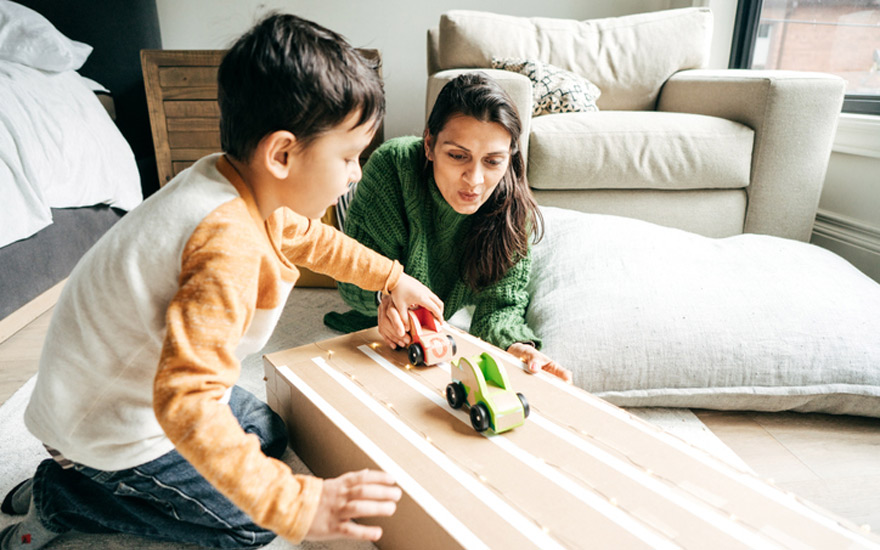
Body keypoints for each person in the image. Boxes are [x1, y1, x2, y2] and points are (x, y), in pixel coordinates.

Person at [0, 13, 445, 550]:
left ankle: (85, 480)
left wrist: (391, 279)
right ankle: (66, 496)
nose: (355, 173)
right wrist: (296, 505)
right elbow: (187, 403)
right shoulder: (225, 242)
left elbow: (313, 241)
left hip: (121, 386)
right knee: (257, 522)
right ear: (281, 153)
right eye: (348, 157)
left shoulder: (238, 183)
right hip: (108, 426)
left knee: (269, 432)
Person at [324, 72, 571, 383]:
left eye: (493, 161)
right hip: (368, 225)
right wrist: (384, 298)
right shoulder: (393, 168)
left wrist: (515, 346)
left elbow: (500, 303)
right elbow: (351, 283)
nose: (475, 180)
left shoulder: (510, 203)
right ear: (429, 144)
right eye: (457, 156)